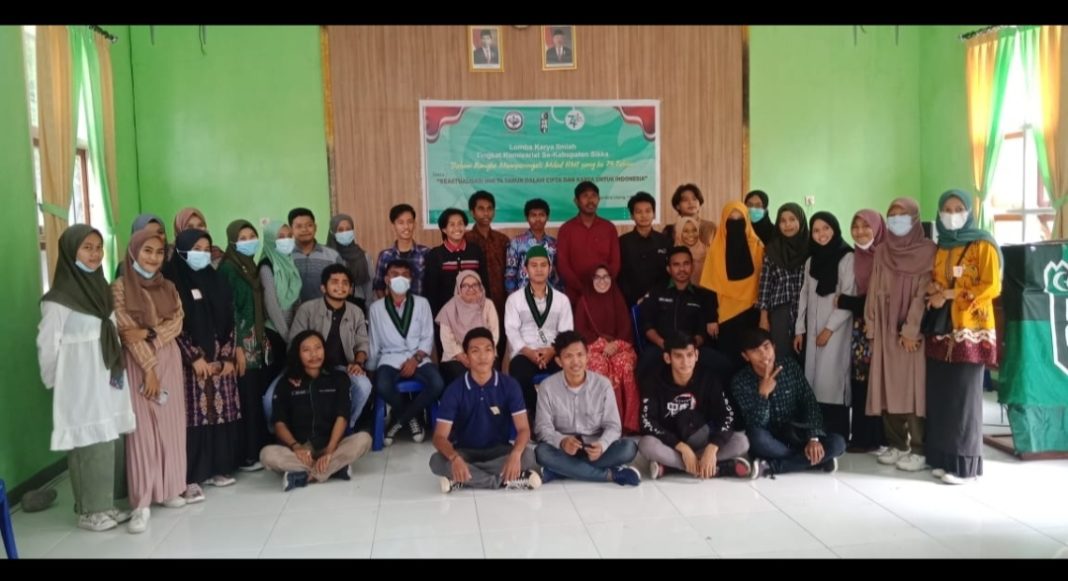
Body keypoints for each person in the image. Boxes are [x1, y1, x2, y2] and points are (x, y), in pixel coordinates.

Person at [37, 225, 136, 532]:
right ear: (70, 252)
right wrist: (57, 385)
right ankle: (89, 511)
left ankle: (107, 503)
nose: (95, 254)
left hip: (107, 377)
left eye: (98, 247)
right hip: (78, 383)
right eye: (87, 248)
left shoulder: (101, 289)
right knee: (88, 440)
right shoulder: (57, 300)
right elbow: (47, 345)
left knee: (110, 438)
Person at [923, 190, 1002, 485]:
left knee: (964, 397)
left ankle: (965, 466)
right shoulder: (941, 246)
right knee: (942, 395)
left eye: (958, 208)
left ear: (969, 211)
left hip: (970, 330)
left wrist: (949, 294)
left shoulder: (983, 244)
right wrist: (934, 289)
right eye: (947, 209)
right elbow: (937, 279)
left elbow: (991, 286)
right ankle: (944, 458)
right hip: (942, 331)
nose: (952, 214)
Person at [113, 229, 187, 533]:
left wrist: (151, 333)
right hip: (138, 363)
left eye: (158, 252)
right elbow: (126, 330)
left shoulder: (168, 286)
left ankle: (170, 488)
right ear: (133, 252)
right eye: (147, 251)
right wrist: (149, 368)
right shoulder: (119, 288)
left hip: (169, 356)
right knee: (143, 432)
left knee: (171, 426)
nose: (153, 258)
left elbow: (177, 321)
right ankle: (141, 502)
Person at [164, 229, 243, 504]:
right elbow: (174, 325)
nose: (203, 254)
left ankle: (217, 469)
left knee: (218, 415)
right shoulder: (173, 283)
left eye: (206, 249)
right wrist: (194, 357)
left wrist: (227, 357)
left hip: (220, 363)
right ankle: (192, 477)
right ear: (182, 250)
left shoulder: (216, 279)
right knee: (195, 420)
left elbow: (230, 318)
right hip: (191, 366)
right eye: (196, 248)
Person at [865, 198, 935, 471]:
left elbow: (924, 293)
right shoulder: (883, 250)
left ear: (915, 218)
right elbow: (874, 289)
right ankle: (896, 443)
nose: (896, 220)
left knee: (912, 388)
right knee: (887, 385)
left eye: (902, 214)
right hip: (885, 327)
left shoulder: (928, 251)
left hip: (910, 332)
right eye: (892, 215)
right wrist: (872, 324)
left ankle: (918, 448)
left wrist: (911, 329)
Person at [430, 327, 541, 492]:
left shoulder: (509, 385)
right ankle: (504, 480)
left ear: (495, 353)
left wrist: (516, 454)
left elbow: (524, 429)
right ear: (466, 357)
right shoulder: (454, 390)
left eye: (488, 350)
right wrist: (455, 458)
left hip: (500, 450)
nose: (482, 356)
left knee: (528, 456)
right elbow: (439, 437)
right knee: (437, 461)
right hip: (465, 451)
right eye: (475, 351)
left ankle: (464, 479)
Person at [261, 330, 373, 491]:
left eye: (318, 348)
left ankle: (304, 474)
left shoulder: (338, 378)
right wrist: (296, 447)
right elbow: (279, 423)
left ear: (324, 350)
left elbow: (342, 416)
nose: (314, 354)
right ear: (298, 354)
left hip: (331, 445)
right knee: (266, 454)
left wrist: (329, 450)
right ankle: (333, 469)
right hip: (300, 450)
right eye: (306, 350)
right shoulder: (286, 383)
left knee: (364, 439)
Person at [731, 328, 845, 477]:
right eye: (755, 351)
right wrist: (763, 395)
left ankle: (773, 466)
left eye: (766, 347)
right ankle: (815, 461)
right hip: (770, 439)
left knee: (838, 443)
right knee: (756, 438)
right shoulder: (740, 381)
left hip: (797, 433)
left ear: (774, 347)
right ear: (745, 356)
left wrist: (813, 438)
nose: (764, 354)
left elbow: (809, 402)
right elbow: (755, 423)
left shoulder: (789, 366)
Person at [638, 334, 753, 480]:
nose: (685, 362)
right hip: (672, 445)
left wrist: (713, 447)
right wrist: (681, 447)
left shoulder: (709, 378)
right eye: (678, 356)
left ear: (696, 355)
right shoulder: (653, 381)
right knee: (647, 444)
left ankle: (672, 468)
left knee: (742, 441)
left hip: (703, 440)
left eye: (689, 355)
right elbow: (647, 422)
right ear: (668, 358)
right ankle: (714, 468)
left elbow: (727, 416)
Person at [534, 331, 640, 485]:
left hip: (594, 448)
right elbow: (542, 428)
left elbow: (613, 426)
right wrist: (562, 441)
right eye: (568, 356)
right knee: (542, 452)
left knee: (628, 448)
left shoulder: (603, 385)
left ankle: (560, 470)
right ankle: (610, 475)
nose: (576, 361)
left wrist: (602, 445)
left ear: (587, 356)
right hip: (564, 449)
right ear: (559, 361)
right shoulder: (547, 387)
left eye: (580, 355)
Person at [368, 260, 445, 445]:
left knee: (437, 383)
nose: (400, 278)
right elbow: (374, 341)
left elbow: (428, 336)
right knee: (383, 385)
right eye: (395, 274)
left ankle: (400, 420)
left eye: (405, 275)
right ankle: (413, 418)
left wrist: (415, 359)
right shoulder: (376, 308)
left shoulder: (422, 303)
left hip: (418, 357)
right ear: (386, 279)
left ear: (411, 280)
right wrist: (371, 370)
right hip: (389, 358)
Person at [289, 264, 374, 430]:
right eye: (335, 282)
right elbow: (294, 343)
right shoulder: (307, 309)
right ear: (323, 287)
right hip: (308, 367)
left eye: (345, 283)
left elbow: (362, 343)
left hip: (343, 368)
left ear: (351, 289)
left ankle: (345, 428)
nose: (340, 286)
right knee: (269, 398)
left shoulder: (356, 312)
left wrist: (358, 363)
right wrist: (297, 370)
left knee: (364, 386)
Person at [794, 212, 855, 440]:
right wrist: (800, 329)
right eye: (816, 230)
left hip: (836, 330)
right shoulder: (811, 261)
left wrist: (829, 329)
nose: (821, 234)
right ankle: (816, 434)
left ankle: (838, 434)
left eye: (826, 228)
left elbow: (849, 295)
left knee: (833, 380)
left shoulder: (848, 257)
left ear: (835, 229)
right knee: (814, 381)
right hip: (812, 329)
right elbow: (804, 294)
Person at [218, 220, 272, 472]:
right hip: (242, 343)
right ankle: (248, 455)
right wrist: (237, 347)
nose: (250, 241)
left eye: (252, 236)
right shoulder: (228, 269)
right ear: (232, 241)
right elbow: (229, 310)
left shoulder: (250, 267)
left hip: (256, 341)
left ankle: (259, 447)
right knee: (247, 397)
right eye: (243, 238)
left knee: (255, 395)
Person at [836, 209, 888, 453]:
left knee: (881, 382)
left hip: (883, 328)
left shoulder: (888, 257)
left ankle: (883, 438)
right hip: (859, 328)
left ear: (877, 228)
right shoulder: (853, 256)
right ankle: (862, 437)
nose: (860, 232)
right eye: (855, 227)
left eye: (866, 226)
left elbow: (884, 299)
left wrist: (846, 301)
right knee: (860, 382)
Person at [504, 246, 574, 424]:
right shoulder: (515, 299)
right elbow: (511, 330)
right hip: (525, 352)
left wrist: (552, 350)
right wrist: (529, 352)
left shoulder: (561, 300)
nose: (539, 269)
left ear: (550, 269)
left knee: (568, 370)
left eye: (543, 265)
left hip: (554, 351)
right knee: (519, 373)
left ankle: (562, 417)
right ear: (525, 269)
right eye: (534, 265)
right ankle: (535, 415)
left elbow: (566, 331)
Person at [638, 246, 728, 381]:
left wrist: (689, 348)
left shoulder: (702, 296)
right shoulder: (656, 292)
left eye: (686, 264)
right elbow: (647, 325)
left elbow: (702, 331)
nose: (682, 269)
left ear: (692, 267)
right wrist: (663, 344)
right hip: (662, 346)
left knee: (724, 365)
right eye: (676, 265)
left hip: (692, 349)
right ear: (669, 269)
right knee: (644, 366)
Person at [574, 266, 640, 434]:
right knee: (598, 366)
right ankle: (600, 423)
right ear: (591, 280)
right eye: (597, 277)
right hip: (593, 348)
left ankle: (628, 423)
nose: (602, 281)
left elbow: (626, 330)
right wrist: (603, 345)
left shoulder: (617, 298)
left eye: (606, 277)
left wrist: (616, 345)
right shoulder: (584, 302)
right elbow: (581, 332)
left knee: (623, 364)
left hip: (620, 347)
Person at [701, 201, 764, 364]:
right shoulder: (715, 250)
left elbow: (764, 283)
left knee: (751, 358)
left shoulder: (758, 248)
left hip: (752, 312)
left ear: (747, 221)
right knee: (728, 360)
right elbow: (708, 287)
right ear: (724, 223)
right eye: (731, 220)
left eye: (740, 219)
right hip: (725, 315)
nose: (735, 224)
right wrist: (711, 318)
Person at [757, 203, 809, 359]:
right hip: (780, 312)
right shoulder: (772, 250)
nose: (787, 225)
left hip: (807, 311)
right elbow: (765, 285)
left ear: (800, 221)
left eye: (792, 219)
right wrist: (763, 318)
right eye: (783, 221)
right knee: (781, 355)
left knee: (805, 356)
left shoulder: (811, 248)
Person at [557, 181, 620, 303]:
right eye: (585, 196)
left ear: (599, 199)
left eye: (594, 196)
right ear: (576, 201)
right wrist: (581, 288)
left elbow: (615, 263)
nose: (590, 200)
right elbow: (563, 266)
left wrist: (602, 284)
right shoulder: (566, 229)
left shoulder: (609, 228)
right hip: (576, 297)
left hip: (604, 293)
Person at [436, 271, 499, 387]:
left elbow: (494, 334)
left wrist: (480, 354)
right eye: (465, 285)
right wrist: (463, 356)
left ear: (480, 287)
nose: (471, 289)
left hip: (484, 353)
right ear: (458, 289)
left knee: (491, 373)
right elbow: (447, 340)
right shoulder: (449, 309)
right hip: (456, 357)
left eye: (475, 285)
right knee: (460, 376)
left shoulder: (488, 304)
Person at [424, 208, 490, 317]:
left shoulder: (475, 251)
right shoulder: (435, 254)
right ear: (444, 229)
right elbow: (431, 292)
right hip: (446, 316)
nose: (457, 228)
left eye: (460, 224)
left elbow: (484, 285)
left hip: (474, 315)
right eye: (452, 224)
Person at [618, 191, 671, 306]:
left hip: (660, 302)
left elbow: (667, 275)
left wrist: (654, 296)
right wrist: (632, 299)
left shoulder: (665, 241)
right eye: (638, 212)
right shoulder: (622, 242)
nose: (644, 215)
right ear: (632, 215)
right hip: (630, 303)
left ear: (654, 214)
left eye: (648, 211)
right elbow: (621, 276)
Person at [505, 198, 563, 293]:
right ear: (526, 217)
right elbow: (510, 275)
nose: (538, 219)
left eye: (541, 215)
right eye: (533, 215)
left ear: (547, 217)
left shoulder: (554, 244)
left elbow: (559, 275)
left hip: (549, 296)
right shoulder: (516, 243)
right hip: (523, 296)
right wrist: (513, 297)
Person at [373, 203, 431, 298]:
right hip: (393, 306)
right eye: (401, 223)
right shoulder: (385, 256)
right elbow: (379, 286)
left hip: (420, 306)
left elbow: (432, 285)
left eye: (410, 222)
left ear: (415, 224)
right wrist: (387, 305)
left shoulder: (426, 253)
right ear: (393, 226)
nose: (406, 227)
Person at [259, 220, 302, 346]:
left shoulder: (289, 263)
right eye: (281, 237)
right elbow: (271, 306)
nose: (287, 240)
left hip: (292, 329)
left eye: (289, 236)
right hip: (275, 331)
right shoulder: (266, 267)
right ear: (271, 239)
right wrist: (287, 336)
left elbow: (296, 298)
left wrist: (296, 329)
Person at [288, 208, 344, 303]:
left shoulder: (333, 256)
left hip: (325, 310)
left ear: (315, 227)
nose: (304, 230)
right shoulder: (286, 256)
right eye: (299, 226)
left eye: (309, 225)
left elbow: (341, 285)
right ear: (291, 230)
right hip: (294, 310)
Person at [326, 213, 375, 311]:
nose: (345, 233)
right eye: (340, 230)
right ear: (332, 232)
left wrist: (369, 309)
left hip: (358, 305)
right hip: (331, 306)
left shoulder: (363, 256)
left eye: (348, 229)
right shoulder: (327, 256)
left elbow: (369, 286)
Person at [672, 216, 707, 287]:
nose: (691, 234)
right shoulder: (673, 255)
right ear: (679, 233)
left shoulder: (707, 252)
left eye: (694, 230)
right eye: (685, 231)